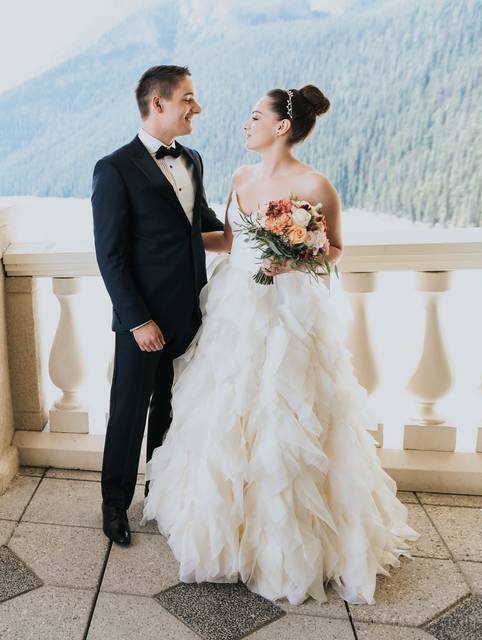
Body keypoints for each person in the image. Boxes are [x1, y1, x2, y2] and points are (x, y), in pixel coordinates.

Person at [142, 85, 418, 604]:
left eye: (254, 116)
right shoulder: (241, 177)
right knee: (226, 412)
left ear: (282, 126)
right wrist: (170, 240)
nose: (245, 124)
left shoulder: (316, 184)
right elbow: (228, 238)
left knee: (287, 415)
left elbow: (333, 249)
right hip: (234, 306)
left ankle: (293, 537)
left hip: (290, 311)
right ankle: (230, 529)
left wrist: (293, 259)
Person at [91, 65, 223, 547]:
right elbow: (111, 255)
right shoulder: (114, 168)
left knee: (172, 409)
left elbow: (202, 224)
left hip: (190, 312)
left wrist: (263, 239)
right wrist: (137, 320)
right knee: (128, 411)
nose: (197, 108)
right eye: (189, 98)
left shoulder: (194, 160)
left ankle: (162, 494)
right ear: (159, 103)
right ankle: (113, 505)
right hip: (142, 319)